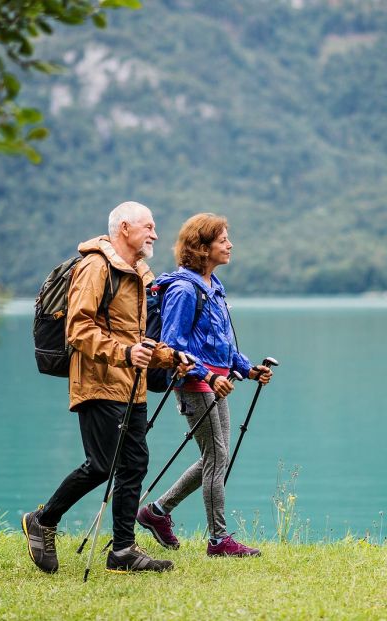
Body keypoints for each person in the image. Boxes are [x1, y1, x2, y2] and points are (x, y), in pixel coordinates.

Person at [22, 201, 193, 575]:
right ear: (125, 227)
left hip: (132, 385)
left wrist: (171, 357)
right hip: (97, 383)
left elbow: (137, 338)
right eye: (148, 227)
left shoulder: (137, 273)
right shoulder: (96, 267)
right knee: (102, 465)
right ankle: (43, 520)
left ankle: (123, 550)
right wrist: (126, 352)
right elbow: (79, 330)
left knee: (135, 464)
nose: (155, 234)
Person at [136, 213, 272, 557]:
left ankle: (156, 512)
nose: (230, 244)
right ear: (202, 247)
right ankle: (218, 540)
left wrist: (248, 369)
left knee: (215, 457)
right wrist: (207, 376)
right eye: (223, 239)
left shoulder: (213, 286)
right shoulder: (183, 290)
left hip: (218, 383)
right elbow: (173, 346)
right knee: (216, 456)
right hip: (195, 385)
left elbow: (221, 344)